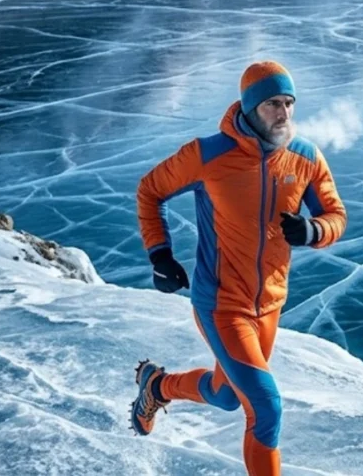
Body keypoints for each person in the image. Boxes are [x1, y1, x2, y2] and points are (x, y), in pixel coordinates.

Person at [132, 61, 347, 476]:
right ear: (249, 107)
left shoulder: (305, 158)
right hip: (221, 303)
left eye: (288, 103)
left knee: (227, 395)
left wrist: (314, 230)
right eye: (272, 104)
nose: (283, 114)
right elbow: (150, 191)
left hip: (269, 305)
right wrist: (160, 254)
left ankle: (156, 387)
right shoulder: (209, 155)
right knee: (265, 409)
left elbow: (336, 215)